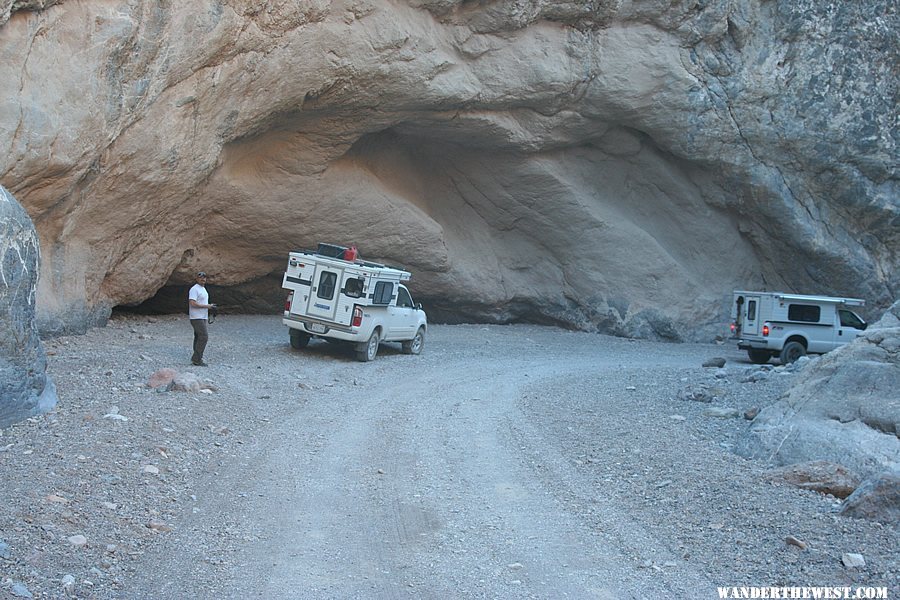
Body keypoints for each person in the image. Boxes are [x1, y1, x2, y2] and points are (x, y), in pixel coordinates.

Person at [188, 272, 215, 366]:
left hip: (202, 317)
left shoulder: (203, 289)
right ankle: (196, 359)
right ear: (196, 279)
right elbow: (192, 303)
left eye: (204, 277)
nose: (203, 279)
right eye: (200, 278)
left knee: (198, 336)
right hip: (196, 317)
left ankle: (196, 356)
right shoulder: (194, 289)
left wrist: (209, 307)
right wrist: (207, 306)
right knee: (204, 336)